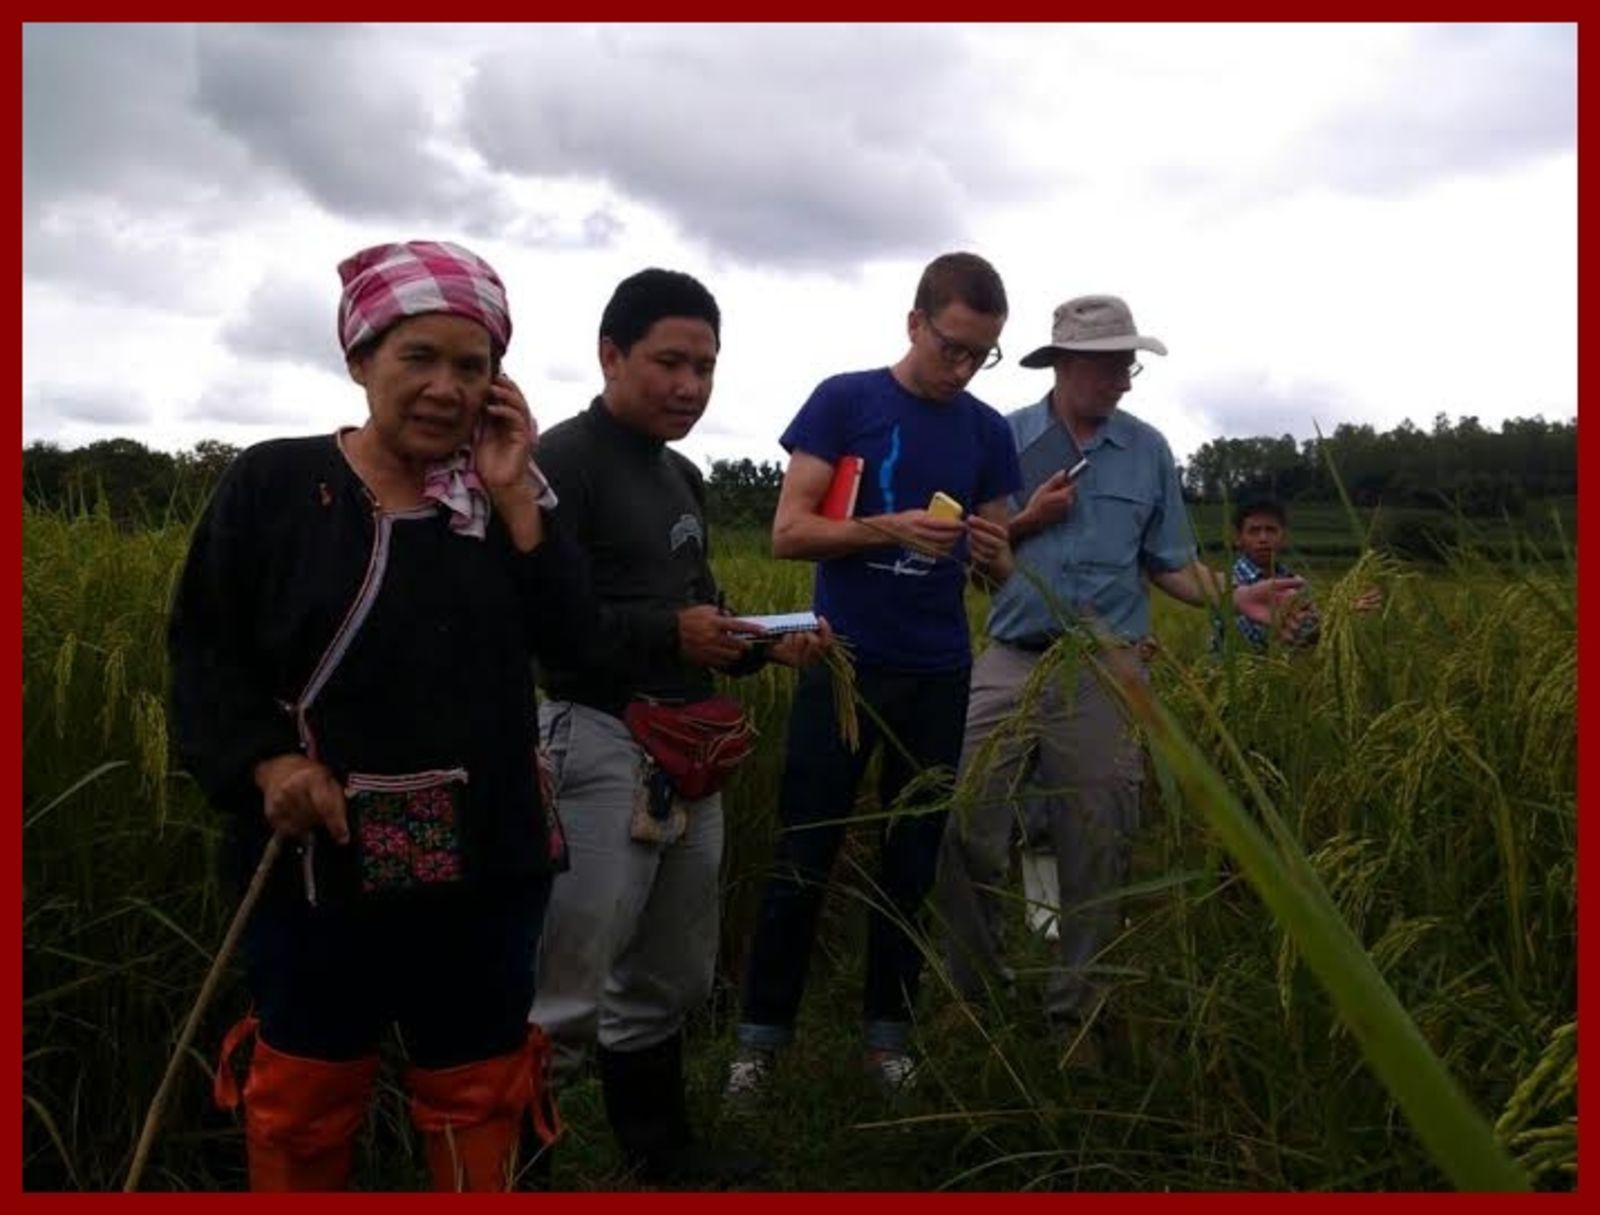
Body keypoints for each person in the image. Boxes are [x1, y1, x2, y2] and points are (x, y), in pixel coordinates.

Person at [169, 240, 587, 1191]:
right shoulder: (275, 484)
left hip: (487, 855)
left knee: (478, 1091)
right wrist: (267, 765)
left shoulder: (502, 501)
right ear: (360, 360)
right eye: (419, 358)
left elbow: (582, 652)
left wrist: (519, 496)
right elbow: (206, 651)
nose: (447, 387)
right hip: (323, 855)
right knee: (304, 1096)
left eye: (472, 366)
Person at [934, 294, 1303, 1060]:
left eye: (1128, 366)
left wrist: (1233, 596)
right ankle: (974, 999)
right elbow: (975, 551)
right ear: (1067, 362)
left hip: (1107, 665)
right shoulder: (1002, 436)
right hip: (1011, 656)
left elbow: (1169, 566)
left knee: (1099, 838)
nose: (1124, 382)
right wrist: (1026, 519)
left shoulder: (1148, 450)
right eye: (1111, 366)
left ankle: (1080, 1017)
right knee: (962, 820)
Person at [528, 268, 830, 1186]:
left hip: (685, 747)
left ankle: (662, 1154)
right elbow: (546, 623)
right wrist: (672, 632)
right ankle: (512, 1171)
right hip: (595, 735)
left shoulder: (682, 475)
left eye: (705, 366)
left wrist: (755, 645)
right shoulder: (559, 462)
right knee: (567, 988)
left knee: (670, 975)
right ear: (610, 354)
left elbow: (700, 607)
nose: (690, 386)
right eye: (669, 362)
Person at [726, 252, 1022, 1099]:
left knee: (914, 856)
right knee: (804, 848)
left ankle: (887, 1037)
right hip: (845, 662)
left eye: (981, 355)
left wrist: (995, 553)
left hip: (940, 671)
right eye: (952, 347)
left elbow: (996, 563)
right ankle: (759, 1039)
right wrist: (887, 529)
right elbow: (789, 532)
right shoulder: (845, 401)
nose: (961, 368)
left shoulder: (986, 431)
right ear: (915, 323)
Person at [1222, 493, 1383, 651]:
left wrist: (1346, 612)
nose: (1263, 538)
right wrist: (1337, 617)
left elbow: (1313, 636)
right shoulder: (1228, 585)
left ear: (1283, 536)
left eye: (1271, 530)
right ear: (1238, 538)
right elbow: (1259, 639)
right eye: (1254, 531)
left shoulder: (1296, 583)